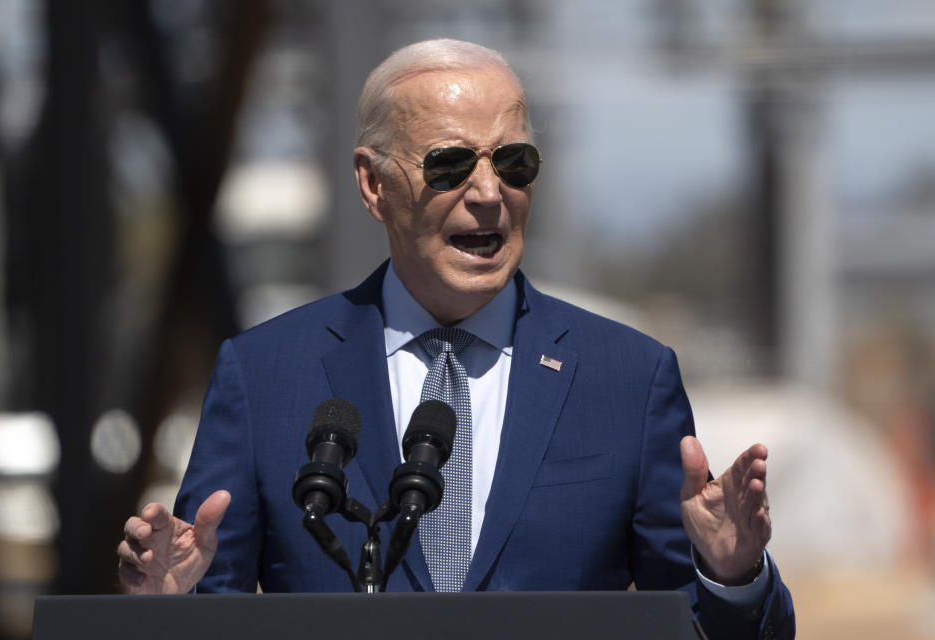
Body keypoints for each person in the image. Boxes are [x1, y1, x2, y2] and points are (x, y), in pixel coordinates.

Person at [117, 39, 794, 638]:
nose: (489, 192)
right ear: (372, 182)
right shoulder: (266, 374)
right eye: (449, 165)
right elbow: (217, 603)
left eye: (514, 163)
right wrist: (168, 609)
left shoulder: (627, 376)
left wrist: (732, 575)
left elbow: (691, 626)